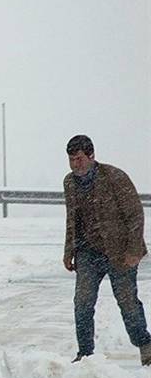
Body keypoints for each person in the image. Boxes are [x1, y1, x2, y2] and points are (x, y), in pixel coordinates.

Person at [62, 135, 150, 365]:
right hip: (88, 252)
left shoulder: (114, 177)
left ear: (91, 156)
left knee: (127, 302)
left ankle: (146, 346)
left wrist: (133, 250)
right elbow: (72, 219)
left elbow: (135, 214)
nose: (75, 165)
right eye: (71, 160)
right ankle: (85, 355)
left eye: (79, 159)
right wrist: (68, 251)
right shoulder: (70, 183)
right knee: (82, 302)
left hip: (119, 252)